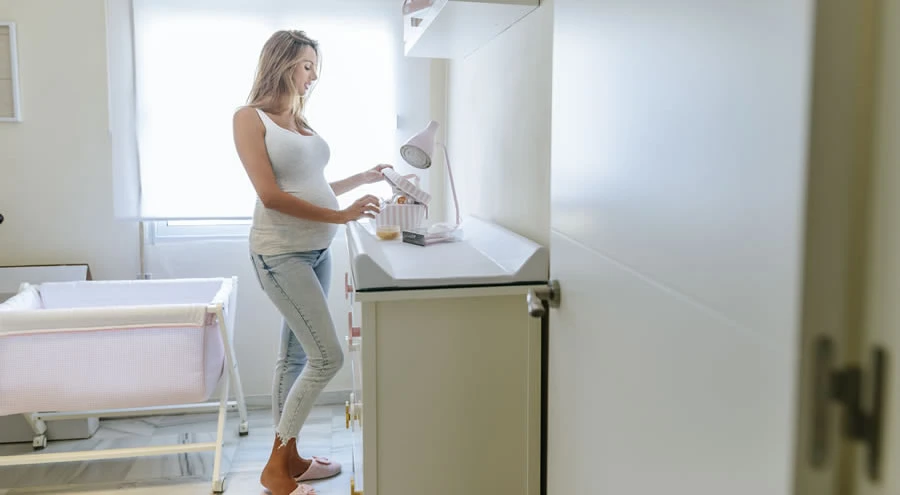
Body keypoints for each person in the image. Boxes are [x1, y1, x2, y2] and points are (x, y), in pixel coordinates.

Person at [233, 29, 388, 495]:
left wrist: (363, 177)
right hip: (281, 254)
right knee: (327, 356)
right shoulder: (250, 118)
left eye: (315, 67)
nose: (313, 75)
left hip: (318, 252)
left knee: (295, 356)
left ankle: (291, 456)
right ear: (281, 63)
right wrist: (341, 215)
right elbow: (272, 196)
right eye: (306, 65)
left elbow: (310, 184)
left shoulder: (299, 120)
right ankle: (276, 470)